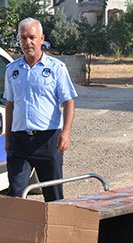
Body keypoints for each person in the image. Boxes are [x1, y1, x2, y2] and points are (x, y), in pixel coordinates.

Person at [4, 17, 78, 202]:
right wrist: (7, 138)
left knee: (53, 195)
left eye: (32, 37)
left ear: (41, 38)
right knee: (16, 195)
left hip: (48, 139)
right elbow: (10, 105)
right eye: (23, 38)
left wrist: (66, 133)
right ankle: (20, 230)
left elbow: (68, 102)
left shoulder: (56, 68)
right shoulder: (12, 70)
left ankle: (56, 230)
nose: (27, 42)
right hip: (19, 141)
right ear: (19, 40)